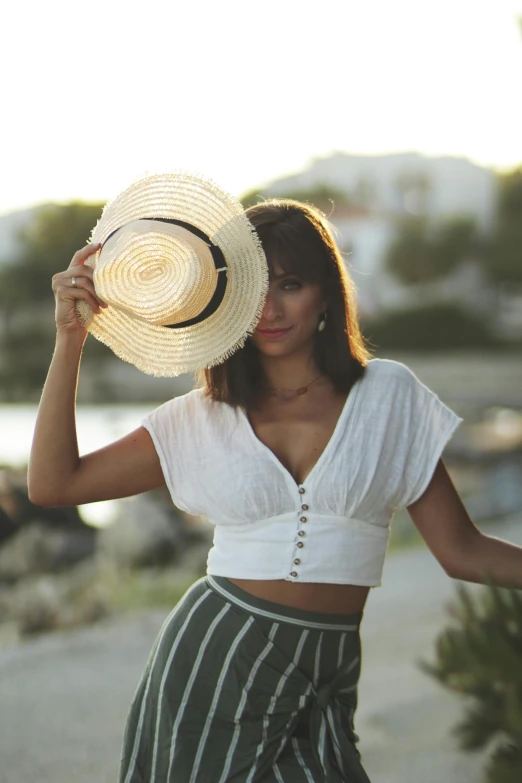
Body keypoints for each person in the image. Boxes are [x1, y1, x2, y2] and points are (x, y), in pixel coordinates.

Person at [29, 198, 522, 783]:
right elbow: (54, 483)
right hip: (216, 662)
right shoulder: (201, 418)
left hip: (325, 674)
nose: (270, 308)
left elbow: (461, 551)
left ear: (327, 295)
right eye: (255, 287)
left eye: (290, 284)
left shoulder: (389, 397)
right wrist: (70, 339)